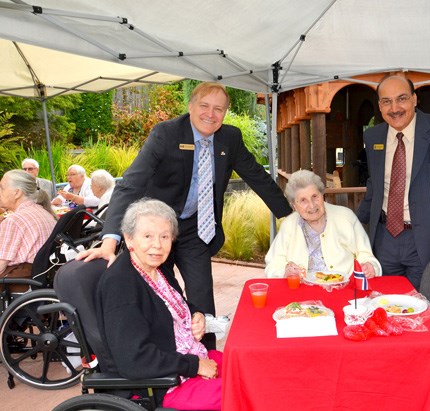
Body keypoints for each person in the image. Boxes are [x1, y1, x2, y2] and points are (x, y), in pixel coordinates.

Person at [79, 82, 291, 349]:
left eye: (218, 109)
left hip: (195, 229)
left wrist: (291, 216)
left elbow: (258, 178)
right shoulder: (166, 134)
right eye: (204, 106)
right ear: (191, 106)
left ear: (225, 113)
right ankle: (170, 356)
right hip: (157, 231)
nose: (210, 114)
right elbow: (130, 184)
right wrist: (109, 240)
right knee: (163, 296)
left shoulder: (230, 138)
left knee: (202, 298)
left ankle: (209, 357)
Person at [97, 199, 221, 410]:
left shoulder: (157, 268)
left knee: (249, 368)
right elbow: (134, 359)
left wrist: (196, 314)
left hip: (189, 359)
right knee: (242, 394)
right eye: (148, 236)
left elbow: (173, 303)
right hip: (164, 385)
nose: (157, 245)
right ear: (129, 239)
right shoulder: (121, 285)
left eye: (164, 237)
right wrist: (195, 365)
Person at [356, 75, 430, 289]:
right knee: (382, 301)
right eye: (387, 101)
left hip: (428, 239)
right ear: (380, 105)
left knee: (422, 306)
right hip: (384, 240)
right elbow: (374, 185)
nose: (394, 108)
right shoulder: (373, 136)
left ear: (414, 99)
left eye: (401, 98)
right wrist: (351, 225)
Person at [265, 169, 381, 278]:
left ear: (322, 195)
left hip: (344, 289)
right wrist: (284, 272)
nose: (311, 205)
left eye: (315, 196)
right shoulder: (289, 225)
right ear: (294, 206)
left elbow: (366, 255)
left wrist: (370, 266)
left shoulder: (346, 217)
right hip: (302, 291)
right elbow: (273, 265)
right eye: (303, 200)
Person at [0, 170, 57, 277]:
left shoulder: (14, 221)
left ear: (17, 193)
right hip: (43, 276)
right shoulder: (44, 211)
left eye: (2, 188)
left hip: (19, 282)